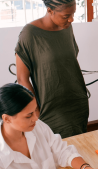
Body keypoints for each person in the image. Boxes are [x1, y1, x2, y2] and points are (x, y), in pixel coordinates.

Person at [15, 0, 89, 138]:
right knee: (58, 151)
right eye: (66, 16)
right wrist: (35, 110)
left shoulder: (67, 27)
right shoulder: (30, 33)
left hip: (77, 101)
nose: (71, 19)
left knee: (79, 147)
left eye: (73, 14)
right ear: (50, 10)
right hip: (51, 107)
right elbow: (22, 78)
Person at [0, 83, 98, 169]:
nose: (36, 118)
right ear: (7, 119)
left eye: (35, 110)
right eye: (29, 115)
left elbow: (62, 151)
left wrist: (85, 167)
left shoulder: (37, 126)